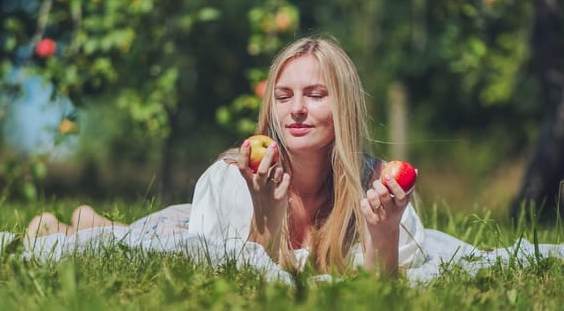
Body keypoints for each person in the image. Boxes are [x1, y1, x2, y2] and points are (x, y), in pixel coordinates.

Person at [26, 36, 426, 276]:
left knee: (104, 228)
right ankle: (74, 223)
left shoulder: (379, 189)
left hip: (190, 221)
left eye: (316, 95)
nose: (297, 109)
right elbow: (242, 278)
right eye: (284, 97)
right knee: (118, 242)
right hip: (180, 229)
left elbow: (378, 290)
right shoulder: (232, 180)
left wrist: (385, 232)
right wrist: (266, 213)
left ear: (344, 107)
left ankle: (88, 218)